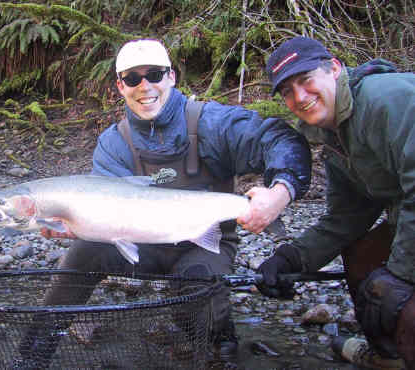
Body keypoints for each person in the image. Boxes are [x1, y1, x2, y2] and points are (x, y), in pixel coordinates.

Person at [16, 38, 312, 368]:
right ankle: (33, 352)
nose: (145, 87)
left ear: (172, 76)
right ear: (120, 86)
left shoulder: (213, 123)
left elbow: (281, 138)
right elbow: (106, 216)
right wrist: (77, 225)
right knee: (82, 253)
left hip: (201, 243)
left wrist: (279, 192)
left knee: (196, 297)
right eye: (132, 78)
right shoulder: (114, 144)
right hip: (143, 243)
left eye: (155, 74)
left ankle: (220, 342)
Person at [260, 36, 415, 369]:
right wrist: (293, 258)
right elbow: (347, 218)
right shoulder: (334, 137)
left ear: (333, 69)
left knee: (401, 296)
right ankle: (387, 356)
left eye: (306, 80)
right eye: (287, 91)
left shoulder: (387, 100)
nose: (300, 97)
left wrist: (402, 274)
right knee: (362, 254)